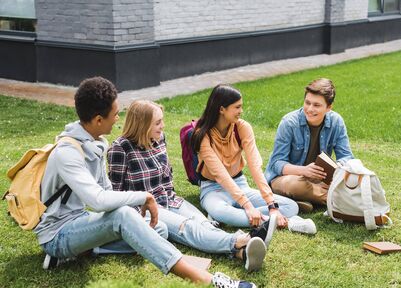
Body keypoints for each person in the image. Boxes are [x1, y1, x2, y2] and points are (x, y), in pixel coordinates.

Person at [35, 77, 257, 288]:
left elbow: (107, 190)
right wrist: (144, 197)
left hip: (80, 222)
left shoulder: (95, 143)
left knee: (157, 229)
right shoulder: (68, 152)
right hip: (58, 234)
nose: (118, 118)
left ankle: (87, 249)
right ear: (98, 119)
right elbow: (98, 200)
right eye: (115, 113)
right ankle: (207, 281)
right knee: (123, 216)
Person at [106, 100, 268, 272]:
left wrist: (172, 202)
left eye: (162, 121)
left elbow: (166, 179)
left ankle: (242, 254)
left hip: (169, 199)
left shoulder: (159, 140)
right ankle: (240, 240)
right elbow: (116, 194)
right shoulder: (120, 148)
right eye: (158, 122)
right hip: (144, 208)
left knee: (204, 224)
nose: (163, 126)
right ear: (142, 124)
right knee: (188, 228)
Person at [191, 84, 316, 235]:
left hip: (240, 184)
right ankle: (287, 222)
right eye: (237, 107)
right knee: (221, 211)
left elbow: (255, 166)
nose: (241, 111)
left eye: (241, 106)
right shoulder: (202, 135)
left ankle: (245, 214)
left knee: (291, 206)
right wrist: (248, 206)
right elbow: (220, 174)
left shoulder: (242, 128)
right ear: (221, 109)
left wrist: (272, 205)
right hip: (213, 188)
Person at [264, 78, 354, 213]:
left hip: (318, 180)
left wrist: (337, 168)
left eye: (317, 105)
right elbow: (276, 163)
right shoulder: (289, 122)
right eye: (307, 103)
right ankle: (337, 200)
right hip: (287, 178)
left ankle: (302, 200)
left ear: (329, 107)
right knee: (296, 186)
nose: (310, 109)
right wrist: (303, 170)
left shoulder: (336, 121)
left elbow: (347, 156)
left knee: (349, 178)